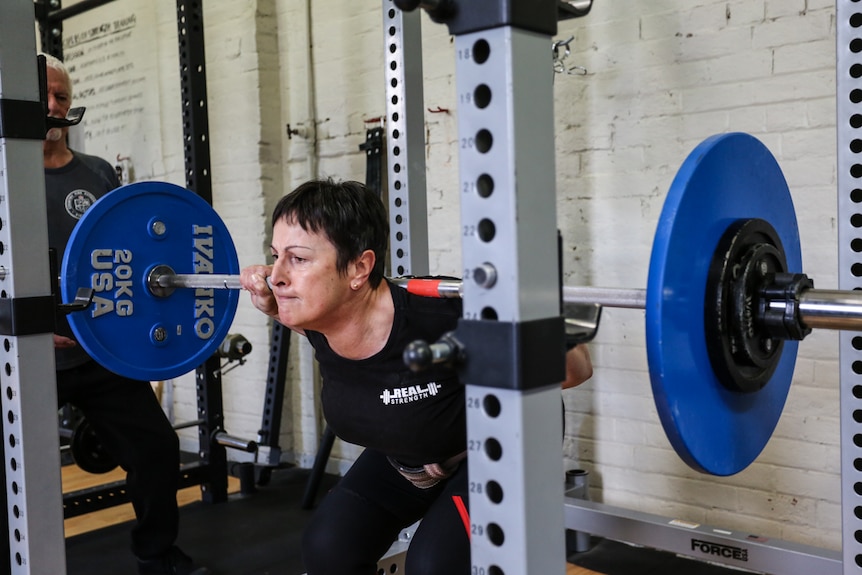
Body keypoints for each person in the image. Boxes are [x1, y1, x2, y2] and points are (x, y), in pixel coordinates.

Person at [240, 178, 593, 574]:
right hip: (414, 456)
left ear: (359, 267)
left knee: (433, 565)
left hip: (501, 442)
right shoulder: (321, 322)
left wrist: (535, 315)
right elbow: (286, 301)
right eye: (275, 257)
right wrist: (274, 305)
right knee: (328, 547)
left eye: (298, 259)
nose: (277, 275)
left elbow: (578, 367)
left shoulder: (441, 315)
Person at [39, 53, 210, 575]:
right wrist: (30, 332)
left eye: (61, 96)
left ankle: (156, 554)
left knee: (157, 449)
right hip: (27, 359)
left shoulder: (97, 174)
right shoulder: (4, 178)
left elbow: (132, 254)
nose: (52, 106)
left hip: (101, 352)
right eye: (41, 96)